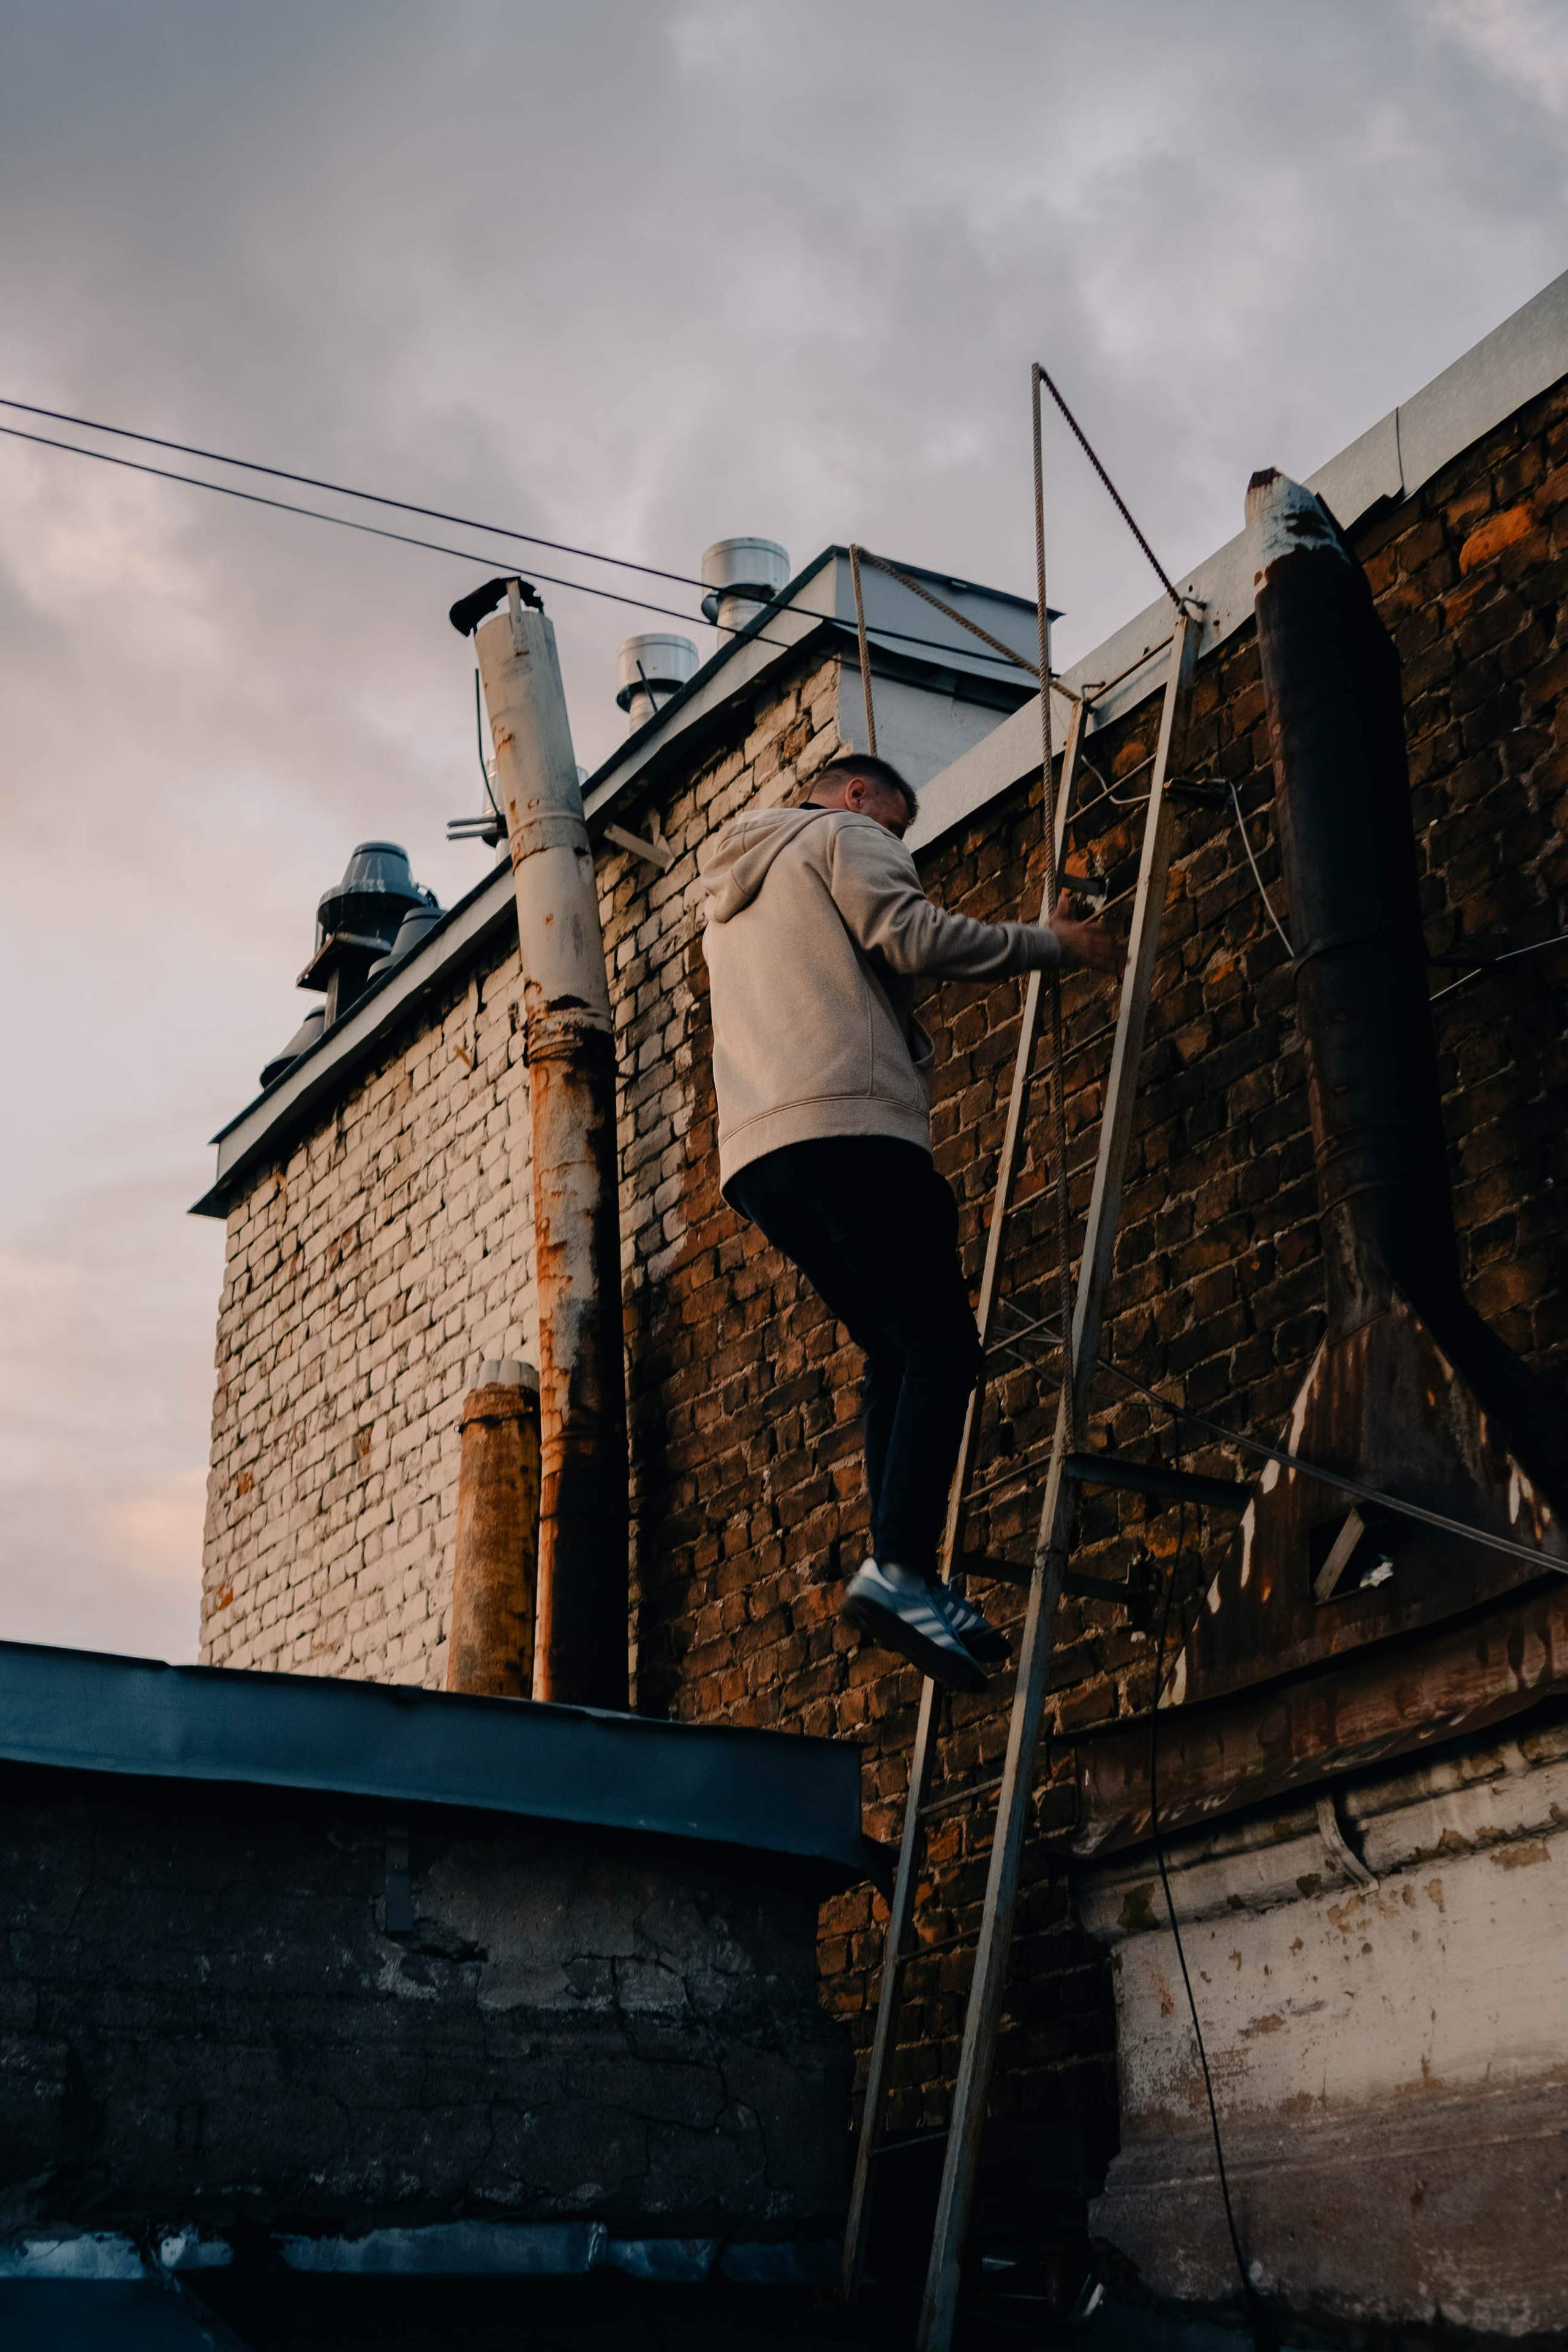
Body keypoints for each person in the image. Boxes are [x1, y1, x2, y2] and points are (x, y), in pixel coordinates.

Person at [698, 753, 1121, 1692]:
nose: (898, 844)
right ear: (857, 793)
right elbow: (913, 935)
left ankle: (906, 1571)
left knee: (894, 1351)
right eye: (898, 824)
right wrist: (1051, 943)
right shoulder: (842, 835)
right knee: (939, 1346)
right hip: (853, 1129)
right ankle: (897, 1573)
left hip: (763, 1160)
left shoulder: (730, 892)